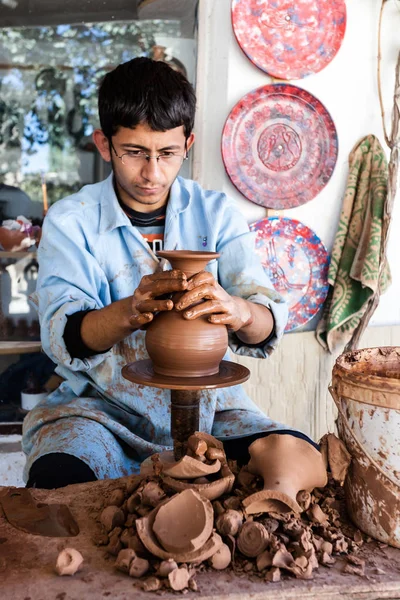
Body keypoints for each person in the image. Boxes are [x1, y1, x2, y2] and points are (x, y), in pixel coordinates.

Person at [22, 58, 317, 489]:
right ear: (104, 145)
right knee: (58, 479)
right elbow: (62, 335)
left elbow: (267, 322)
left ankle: (270, 509)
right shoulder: (73, 221)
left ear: (188, 143)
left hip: (214, 410)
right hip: (102, 412)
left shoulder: (216, 214)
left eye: (167, 154)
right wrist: (130, 311)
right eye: (135, 153)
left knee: (297, 454)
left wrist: (237, 311)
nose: (152, 173)